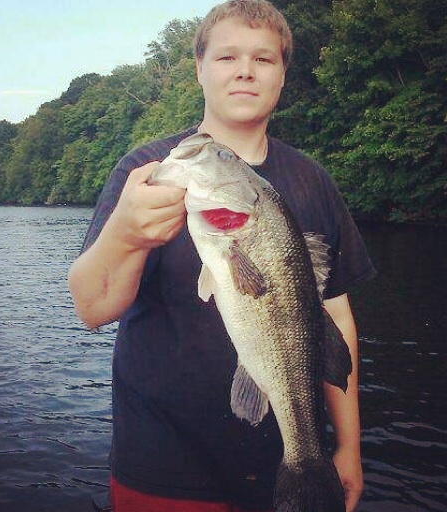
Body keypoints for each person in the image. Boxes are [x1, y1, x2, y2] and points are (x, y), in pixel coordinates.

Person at [68, 1, 376, 511]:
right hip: (163, 463)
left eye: (264, 58)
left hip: (283, 457)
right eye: (227, 56)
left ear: (282, 75)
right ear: (200, 69)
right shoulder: (145, 170)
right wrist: (125, 233)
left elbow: (336, 315)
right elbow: (91, 308)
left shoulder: (313, 180)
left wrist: (348, 447)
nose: (245, 71)